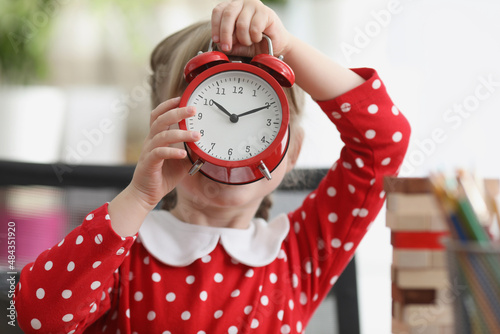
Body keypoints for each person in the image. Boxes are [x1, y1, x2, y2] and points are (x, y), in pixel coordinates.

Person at [15, 0, 411, 333]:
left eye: (260, 123)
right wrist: (139, 197)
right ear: (162, 136)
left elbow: (383, 138)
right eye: (206, 117)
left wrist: (285, 47)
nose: (231, 150)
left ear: (291, 153)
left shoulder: (297, 254)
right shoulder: (126, 254)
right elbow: (35, 318)